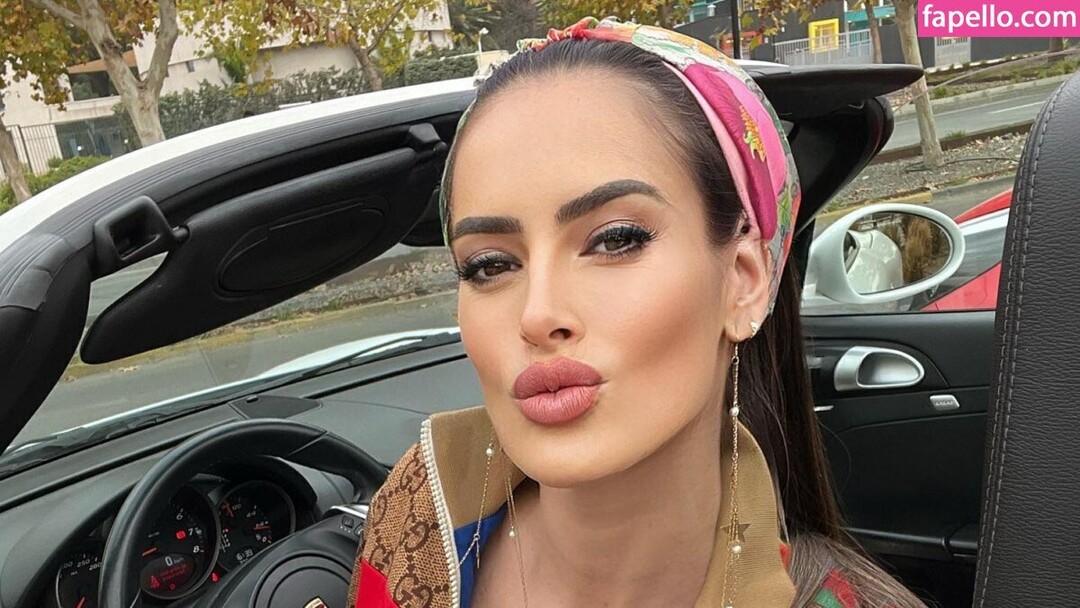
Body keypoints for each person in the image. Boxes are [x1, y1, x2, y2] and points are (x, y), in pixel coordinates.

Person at [348, 17, 926, 608]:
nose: (537, 314)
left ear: (743, 281)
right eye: (489, 265)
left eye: (616, 239)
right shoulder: (416, 507)